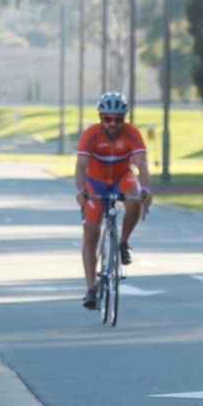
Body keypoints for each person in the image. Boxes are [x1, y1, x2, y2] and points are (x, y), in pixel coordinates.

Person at [74, 90, 152, 309]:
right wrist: (81, 191)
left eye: (117, 120)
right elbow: (80, 167)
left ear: (124, 119)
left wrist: (146, 188)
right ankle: (91, 288)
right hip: (96, 181)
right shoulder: (90, 135)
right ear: (101, 118)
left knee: (135, 199)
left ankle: (123, 241)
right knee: (91, 230)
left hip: (121, 177)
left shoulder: (132, 134)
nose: (112, 124)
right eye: (107, 119)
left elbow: (142, 164)